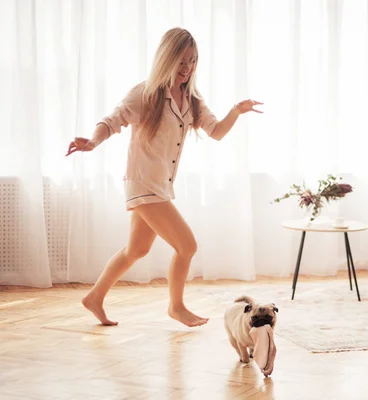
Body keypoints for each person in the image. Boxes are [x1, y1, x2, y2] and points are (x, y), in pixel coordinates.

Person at [65, 27, 262, 327]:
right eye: (181, 62)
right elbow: (112, 120)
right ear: (166, 59)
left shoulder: (192, 99)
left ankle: (94, 298)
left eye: (192, 61)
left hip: (160, 186)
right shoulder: (146, 94)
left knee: (137, 249)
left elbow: (217, 132)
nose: (187, 69)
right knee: (187, 246)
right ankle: (176, 307)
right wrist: (92, 143)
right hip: (142, 182)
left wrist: (236, 111)